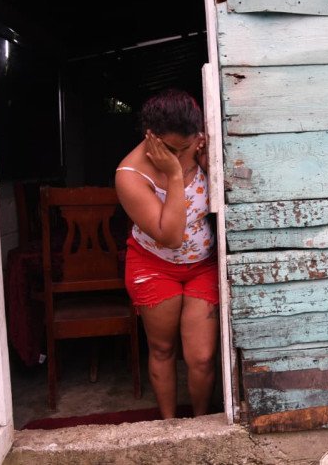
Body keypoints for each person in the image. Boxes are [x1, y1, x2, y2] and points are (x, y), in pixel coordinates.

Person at [115, 89, 218, 419]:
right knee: (162, 348)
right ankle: (170, 427)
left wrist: (208, 165)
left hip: (203, 265)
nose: (182, 155)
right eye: (172, 149)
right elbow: (171, 236)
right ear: (152, 137)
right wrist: (175, 174)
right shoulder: (130, 175)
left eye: (186, 147)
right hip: (153, 266)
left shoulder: (202, 147)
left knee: (201, 357)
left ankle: (202, 423)